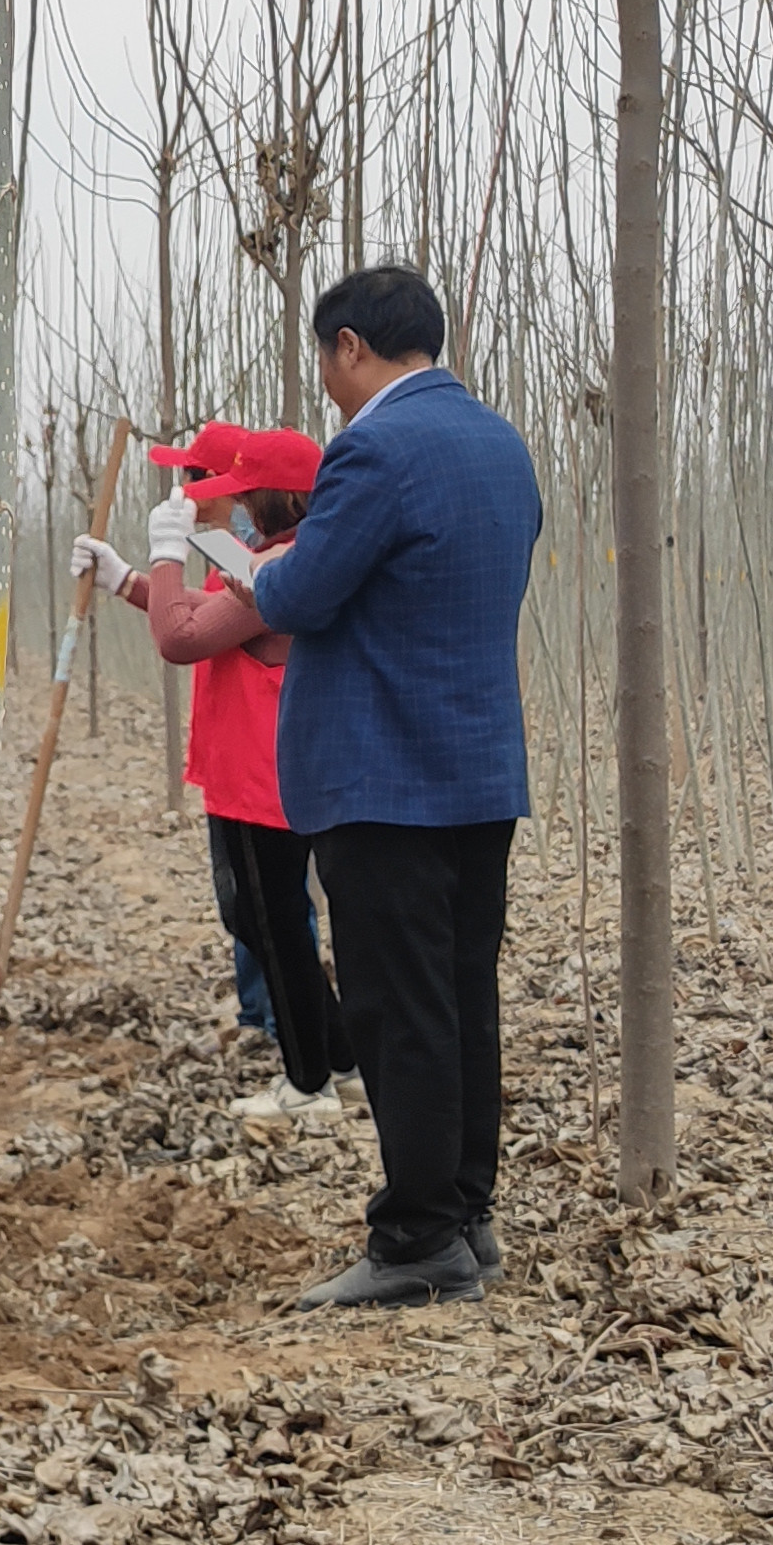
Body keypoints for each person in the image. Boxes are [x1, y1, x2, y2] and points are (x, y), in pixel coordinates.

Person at [206, 264, 544, 1311]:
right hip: (476, 772)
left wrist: (234, 562)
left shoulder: (375, 450)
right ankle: (465, 1214)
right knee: (459, 996)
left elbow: (300, 593)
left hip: (381, 779)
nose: (324, 383)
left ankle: (415, 1237)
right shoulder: (500, 443)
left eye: (323, 358)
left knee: (400, 1011)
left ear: (349, 344)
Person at [74, 422, 345, 1120]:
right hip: (247, 771)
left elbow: (181, 637)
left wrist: (164, 556)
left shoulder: (286, 565)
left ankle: (310, 1080)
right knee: (257, 917)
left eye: (240, 494)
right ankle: (343, 1056)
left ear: (273, 500)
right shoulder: (277, 559)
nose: (219, 500)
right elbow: (208, 614)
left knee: (273, 919)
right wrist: (131, 579)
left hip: (265, 777)